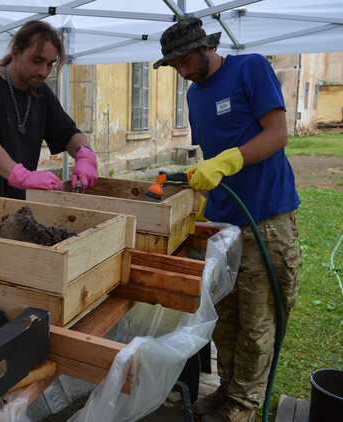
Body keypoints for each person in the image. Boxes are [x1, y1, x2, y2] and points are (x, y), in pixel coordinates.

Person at [154, 17, 301, 422]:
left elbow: (277, 133)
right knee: (225, 319)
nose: (182, 71)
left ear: (206, 47)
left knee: (257, 319)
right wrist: (199, 199)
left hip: (265, 219)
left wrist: (231, 159)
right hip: (223, 226)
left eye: (185, 61)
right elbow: (209, 159)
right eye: (174, 66)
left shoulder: (250, 68)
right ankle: (227, 391)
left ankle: (244, 405)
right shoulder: (195, 96)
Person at [0, 20, 97, 205]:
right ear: (16, 52)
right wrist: (23, 176)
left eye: (50, 64)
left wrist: (85, 155)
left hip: (18, 208)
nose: (44, 71)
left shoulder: (42, 93)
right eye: (37, 61)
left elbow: (69, 134)